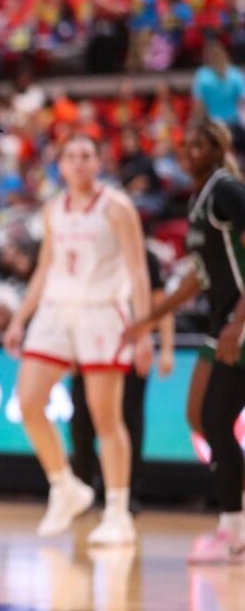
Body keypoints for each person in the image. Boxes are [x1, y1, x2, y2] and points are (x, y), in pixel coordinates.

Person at [2, 134, 153, 545]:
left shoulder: (117, 206)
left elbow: (139, 271)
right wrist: (20, 318)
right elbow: (44, 268)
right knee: (29, 402)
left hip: (102, 311)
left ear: (98, 162)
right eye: (71, 156)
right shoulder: (53, 209)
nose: (79, 162)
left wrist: (143, 330)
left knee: (106, 417)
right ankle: (64, 485)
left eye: (87, 155)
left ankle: (118, 511)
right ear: (61, 165)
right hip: (55, 310)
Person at [125, 119, 245, 563]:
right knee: (199, 416)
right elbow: (199, 275)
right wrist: (150, 318)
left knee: (217, 420)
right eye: (185, 145)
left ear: (218, 149)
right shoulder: (199, 199)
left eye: (200, 145)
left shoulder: (227, 191)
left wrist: (238, 321)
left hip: (238, 319)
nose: (190, 151)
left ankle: (233, 533)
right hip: (220, 320)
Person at [69, 246, 175, 506]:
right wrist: (69, 345)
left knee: (128, 421)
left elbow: (160, 303)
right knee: (81, 420)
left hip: (129, 347)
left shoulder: (144, 256)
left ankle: (124, 493)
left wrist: (166, 349)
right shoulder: (89, 248)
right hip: (88, 345)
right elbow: (73, 300)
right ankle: (82, 488)